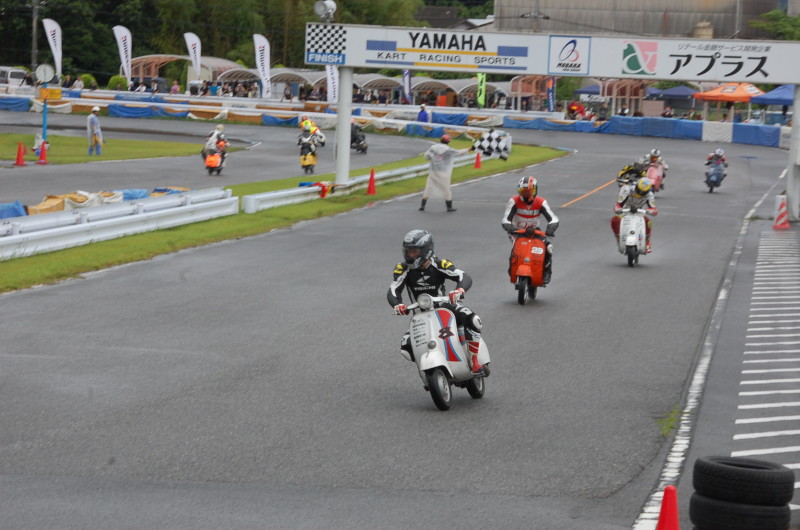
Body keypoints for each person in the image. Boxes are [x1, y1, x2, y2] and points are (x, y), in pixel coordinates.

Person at [388, 229, 486, 374]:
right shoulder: (402, 269)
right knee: (406, 347)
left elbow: (463, 276)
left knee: (473, 319)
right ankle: (428, 373)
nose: (410, 255)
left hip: (444, 306)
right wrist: (397, 304)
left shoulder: (440, 264)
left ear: (425, 250)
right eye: (408, 252)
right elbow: (393, 289)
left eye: (414, 252)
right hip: (420, 314)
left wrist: (459, 290)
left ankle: (474, 360)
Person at [501, 176, 559, 284]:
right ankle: (512, 267)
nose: (527, 194)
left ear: (535, 190)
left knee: (549, 248)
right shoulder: (514, 201)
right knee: (516, 249)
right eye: (524, 192)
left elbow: (553, 218)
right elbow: (506, 219)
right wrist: (510, 227)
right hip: (517, 232)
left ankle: (547, 270)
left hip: (535, 231)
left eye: (529, 191)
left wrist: (551, 227)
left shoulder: (541, 202)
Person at [419, 134, 469, 212]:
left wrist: (434, 159)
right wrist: (469, 149)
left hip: (433, 171)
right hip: (444, 172)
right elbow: (459, 153)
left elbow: (426, 156)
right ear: (448, 141)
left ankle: (422, 206)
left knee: (428, 188)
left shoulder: (433, 147)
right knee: (446, 189)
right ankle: (449, 207)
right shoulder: (448, 149)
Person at [611, 178, 658, 254]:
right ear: (636, 186)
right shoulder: (627, 189)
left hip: (639, 212)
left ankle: (647, 241)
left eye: (643, 192)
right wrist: (617, 208)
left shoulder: (650, 195)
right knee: (614, 220)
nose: (641, 193)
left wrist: (652, 211)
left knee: (648, 222)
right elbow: (619, 204)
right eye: (639, 190)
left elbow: (653, 208)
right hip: (625, 211)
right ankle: (619, 237)